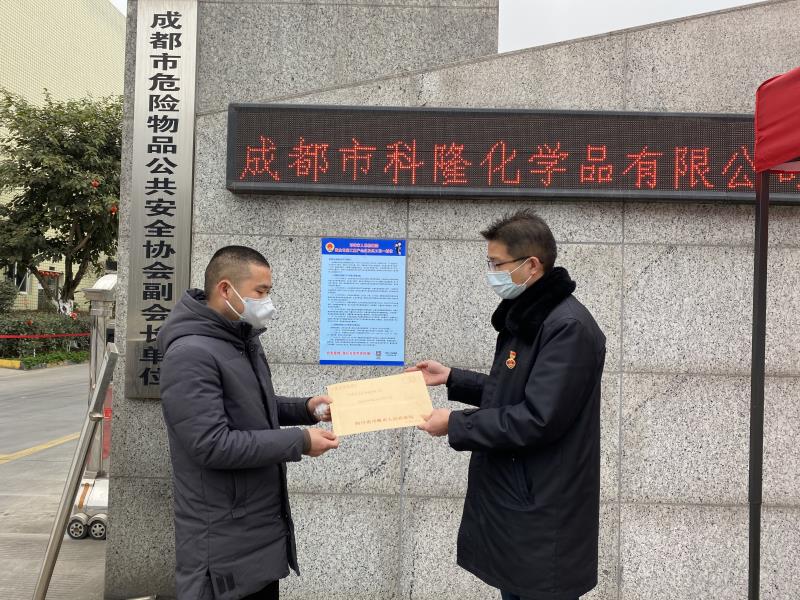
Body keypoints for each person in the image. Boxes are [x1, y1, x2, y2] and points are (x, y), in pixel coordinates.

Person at [411, 210, 605, 600]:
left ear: (532, 265)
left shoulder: (566, 327)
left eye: (497, 264)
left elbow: (537, 417)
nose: (492, 273)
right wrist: (452, 377)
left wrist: (455, 424)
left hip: (544, 508)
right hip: (521, 505)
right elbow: (513, 392)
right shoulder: (532, 318)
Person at [158, 245, 339, 600]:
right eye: (260, 291)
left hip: (256, 531)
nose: (267, 302)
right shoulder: (190, 354)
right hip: (222, 540)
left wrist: (307, 408)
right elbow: (212, 444)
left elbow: (253, 404)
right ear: (226, 289)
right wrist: (301, 441)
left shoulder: (239, 340)